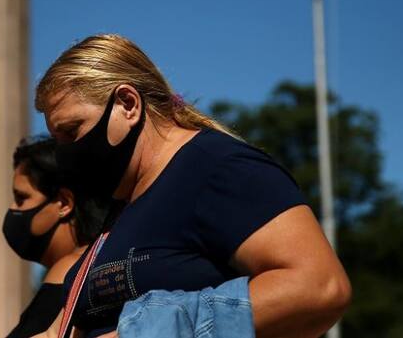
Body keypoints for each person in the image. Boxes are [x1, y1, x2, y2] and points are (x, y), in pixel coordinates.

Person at [32, 34, 351, 338]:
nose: (64, 155)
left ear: (127, 104)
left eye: (72, 131)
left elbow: (319, 285)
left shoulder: (217, 167)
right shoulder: (121, 210)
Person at [4, 136, 110, 338]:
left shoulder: (69, 269)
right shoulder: (105, 256)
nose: (13, 209)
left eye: (21, 198)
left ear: (63, 203)